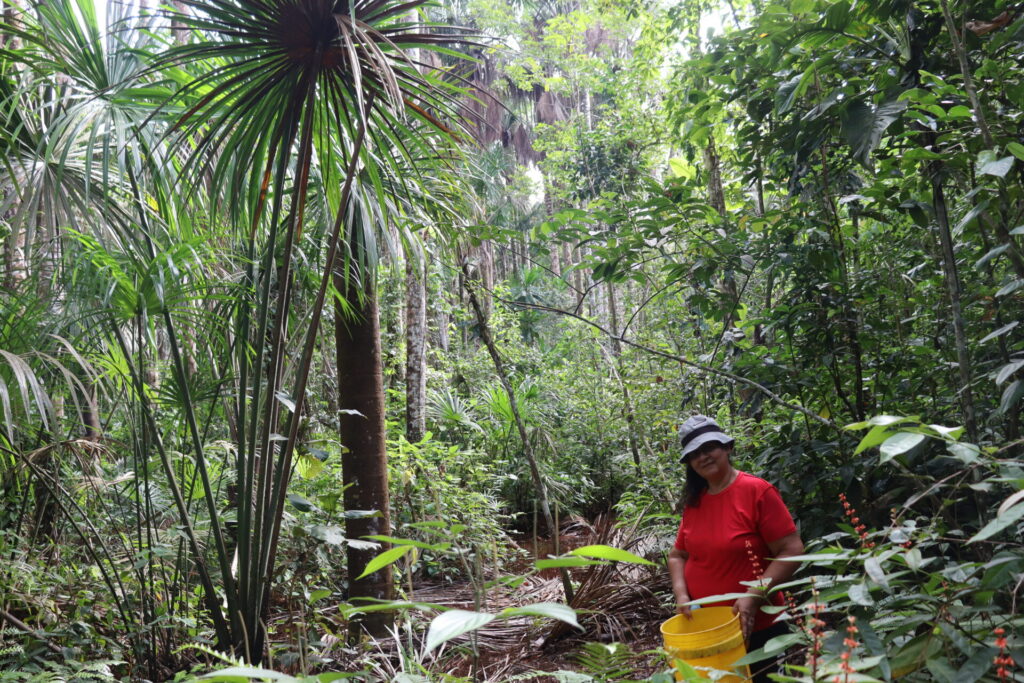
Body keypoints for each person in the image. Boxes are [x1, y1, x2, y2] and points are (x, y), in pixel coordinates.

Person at [667, 415, 803, 682]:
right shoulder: (695, 501)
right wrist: (682, 595)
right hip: (707, 629)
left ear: (727, 447)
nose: (703, 457)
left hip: (759, 627)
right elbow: (677, 555)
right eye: (694, 453)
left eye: (708, 448)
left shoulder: (756, 491)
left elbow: (792, 550)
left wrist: (752, 596)